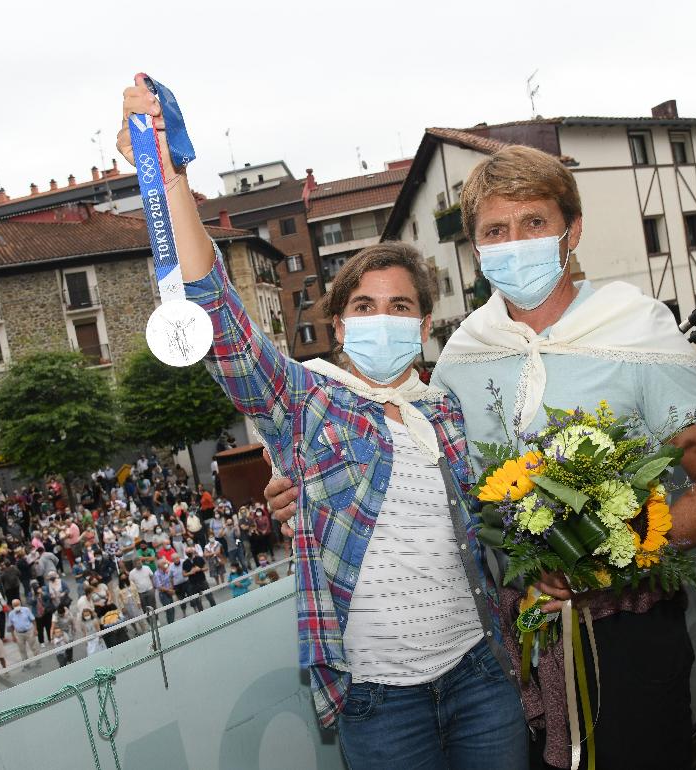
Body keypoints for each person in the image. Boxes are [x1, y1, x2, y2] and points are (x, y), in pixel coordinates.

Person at [264, 143, 696, 767]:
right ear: (476, 247)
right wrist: (302, 489)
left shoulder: (637, 328)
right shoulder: (464, 355)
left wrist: (611, 558)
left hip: (630, 633)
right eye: (496, 229)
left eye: (534, 223)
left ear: (572, 230)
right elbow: (411, 465)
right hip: (514, 642)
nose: (514, 241)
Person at [118, 79, 530, 769]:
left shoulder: (447, 413)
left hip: (480, 676)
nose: (383, 319)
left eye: (401, 307)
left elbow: (496, 530)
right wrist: (170, 177)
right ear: (338, 326)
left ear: (426, 326)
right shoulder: (309, 403)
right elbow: (224, 325)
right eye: (365, 306)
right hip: (379, 702)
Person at [6, 599, 40, 666]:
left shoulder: (26, 610)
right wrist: (13, 636)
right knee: (22, 649)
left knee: (34, 647)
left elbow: (33, 620)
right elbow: (11, 626)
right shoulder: (11, 614)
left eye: (17, 604)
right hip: (19, 634)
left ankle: (38, 660)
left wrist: (35, 629)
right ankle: (26, 664)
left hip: (29, 631)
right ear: (12, 606)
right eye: (14, 605)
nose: (16, 606)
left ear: (20, 604)